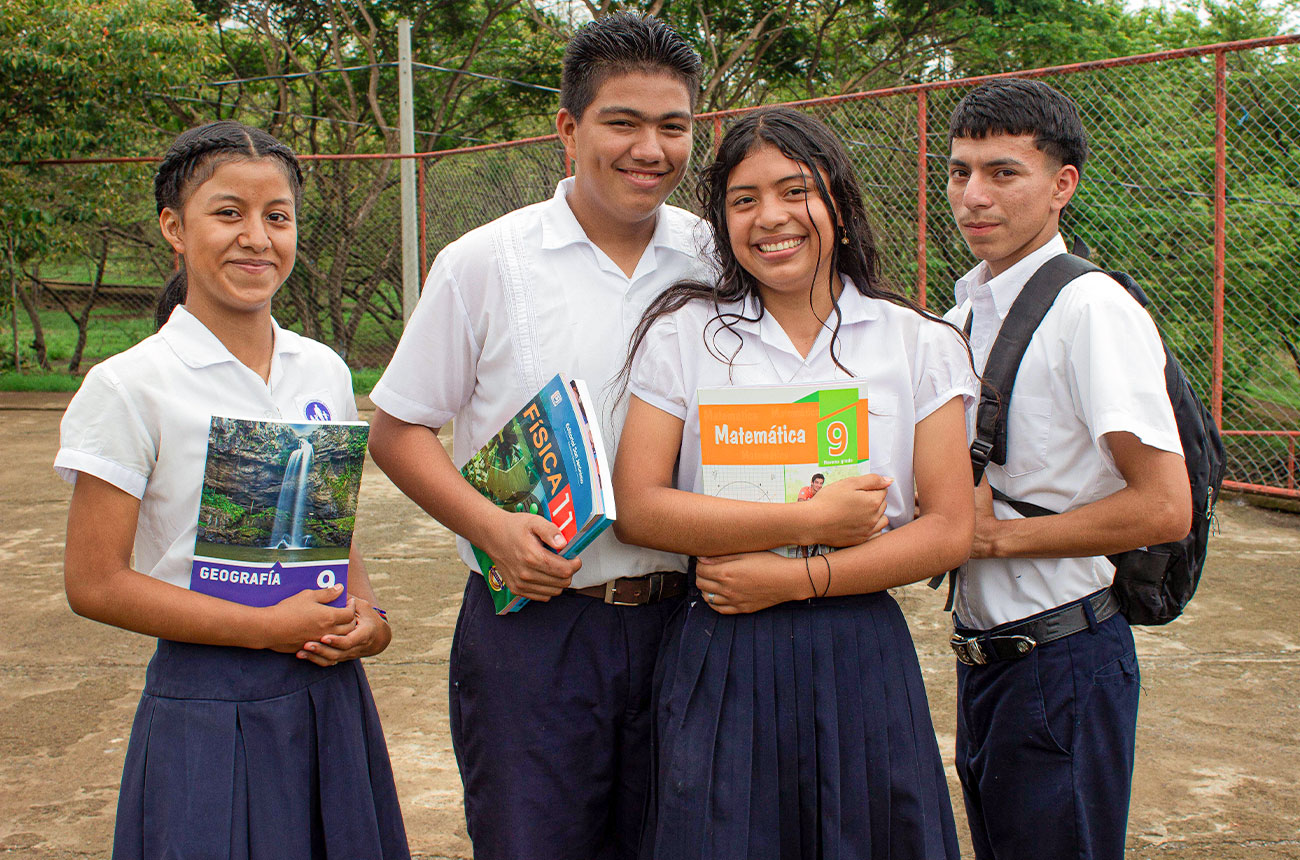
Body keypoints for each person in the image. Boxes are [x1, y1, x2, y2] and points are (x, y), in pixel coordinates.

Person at [366, 13, 753, 860]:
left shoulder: (716, 264)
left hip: (689, 623)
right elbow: (397, 431)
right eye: (623, 122)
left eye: (673, 126)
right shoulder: (487, 262)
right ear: (570, 129)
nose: (649, 148)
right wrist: (491, 527)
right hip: (536, 632)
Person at [614, 106, 975, 859]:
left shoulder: (919, 342)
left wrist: (801, 579)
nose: (770, 217)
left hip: (857, 650)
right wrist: (806, 521)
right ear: (723, 223)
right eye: (744, 200)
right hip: (722, 644)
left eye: (795, 190)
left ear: (838, 204)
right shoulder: (685, 334)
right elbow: (640, 508)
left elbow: (949, 530)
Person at [55, 121, 408, 859]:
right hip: (208, 702)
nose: (257, 237)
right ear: (173, 228)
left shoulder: (324, 371)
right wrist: (261, 628)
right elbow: (94, 582)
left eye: (277, 217)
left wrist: (367, 616)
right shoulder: (129, 385)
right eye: (228, 213)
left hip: (325, 688)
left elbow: (330, 529)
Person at [942, 78, 1192, 859]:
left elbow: (1164, 508)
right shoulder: (962, 312)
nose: (974, 196)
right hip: (986, 659)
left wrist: (989, 539)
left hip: (1063, 664)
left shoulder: (1091, 310)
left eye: (1002, 173)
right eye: (959, 172)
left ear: (1062, 185)